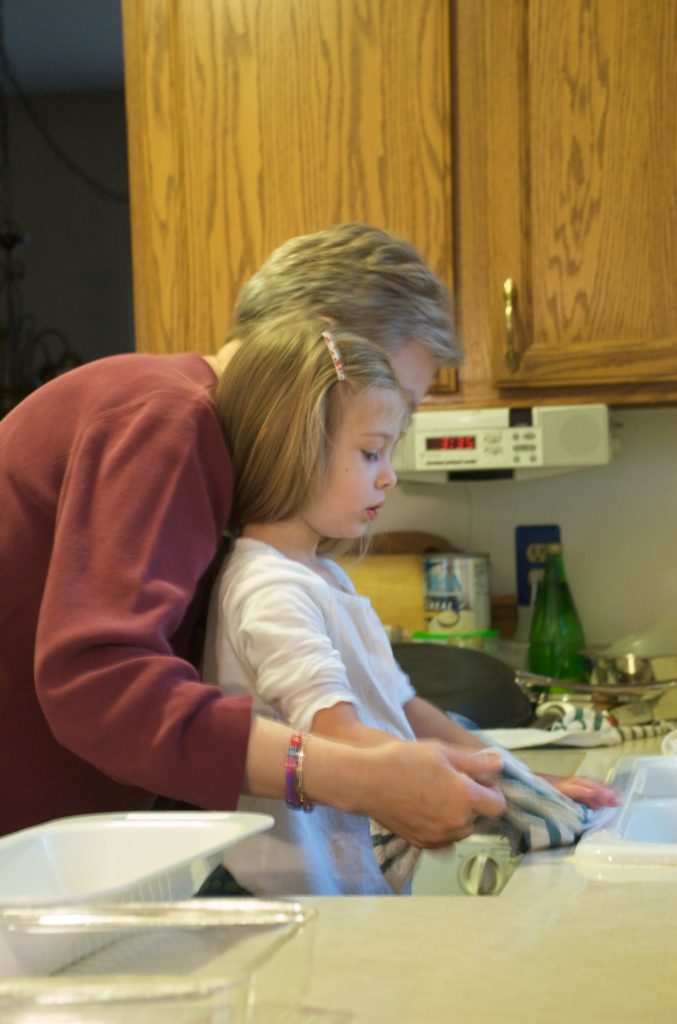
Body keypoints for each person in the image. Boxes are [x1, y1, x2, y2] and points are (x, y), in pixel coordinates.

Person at [0, 222, 509, 842]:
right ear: (324, 345)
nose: (387, 466)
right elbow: (102, 688)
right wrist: (351, 777)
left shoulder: (229, 456)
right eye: (384, 409)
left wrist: (509, 781)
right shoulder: (169, 418)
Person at [202, 317, 616, 896]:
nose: (389, 476)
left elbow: (404, 705)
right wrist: (474, 785)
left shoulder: (322, 576)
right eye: (372, 453)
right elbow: (340, 736)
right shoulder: (267, 588)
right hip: (282, 893)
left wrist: (514, 776)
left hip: (336, 884)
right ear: (284, 442)